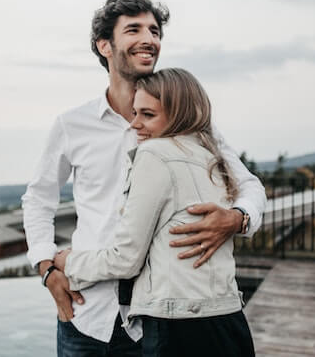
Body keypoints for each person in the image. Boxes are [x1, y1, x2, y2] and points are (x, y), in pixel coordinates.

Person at [22, 0, 266, 356]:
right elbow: (38, 199)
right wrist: (46, 268)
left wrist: (237, 218)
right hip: (85, 313)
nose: (149, 39)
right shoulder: (71, 125)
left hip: (157, 324)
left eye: (154, 30)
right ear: (104, 45)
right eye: (134, 29)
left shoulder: (191, 125)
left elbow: (248, 184)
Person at [54, 68, 256, 356]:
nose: (135, 125)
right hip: (228, 319)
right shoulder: (212, 157)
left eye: (147, 115)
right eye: (135, 113)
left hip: (178, 327)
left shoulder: (154, 154)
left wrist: (69, 262)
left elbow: (126, 260)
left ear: (179, 114)